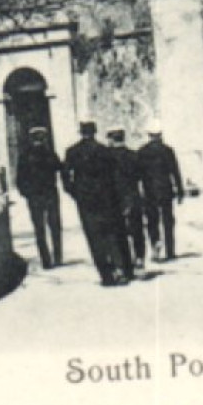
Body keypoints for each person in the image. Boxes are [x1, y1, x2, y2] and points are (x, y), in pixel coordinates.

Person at [62, 121, 131, 286]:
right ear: (95, 132)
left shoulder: (72, 152)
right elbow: (115, 177)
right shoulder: (104, 151)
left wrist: (76, 193)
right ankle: (120, 270)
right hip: (107, 199)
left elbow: (65, 178)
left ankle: (106, 275)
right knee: (111, 234)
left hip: (85, 201)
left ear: (81, 132)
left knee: (94, 237)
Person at [14, 128, 64, 270]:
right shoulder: (49, 153)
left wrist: (27, 193)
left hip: (35, 197)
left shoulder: (25, 155)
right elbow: (60, 167)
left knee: (39, 229)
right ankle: (58, 257)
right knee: (54, 226)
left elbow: (19, 179)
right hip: (49, 194)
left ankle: (46, 261)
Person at [136, 122, 185, 262]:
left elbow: (137, 174)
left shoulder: (142, 152)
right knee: (168, 220)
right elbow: (175, 172)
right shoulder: (167, 150)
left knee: (152, 221)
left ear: (149, 135)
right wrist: (180, 190)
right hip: (166, 190)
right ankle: (170, 250)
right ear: (160, 134)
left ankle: (155, 247)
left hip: (149, 191)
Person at [107, 129, 147, 273]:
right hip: (133, 196)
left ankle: (123, 265)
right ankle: (140, 260)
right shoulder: (134, 155)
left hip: (114, 199)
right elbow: (141, 177)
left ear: (111, 139)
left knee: (118, 232)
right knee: (137, 230)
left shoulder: (107, 157)